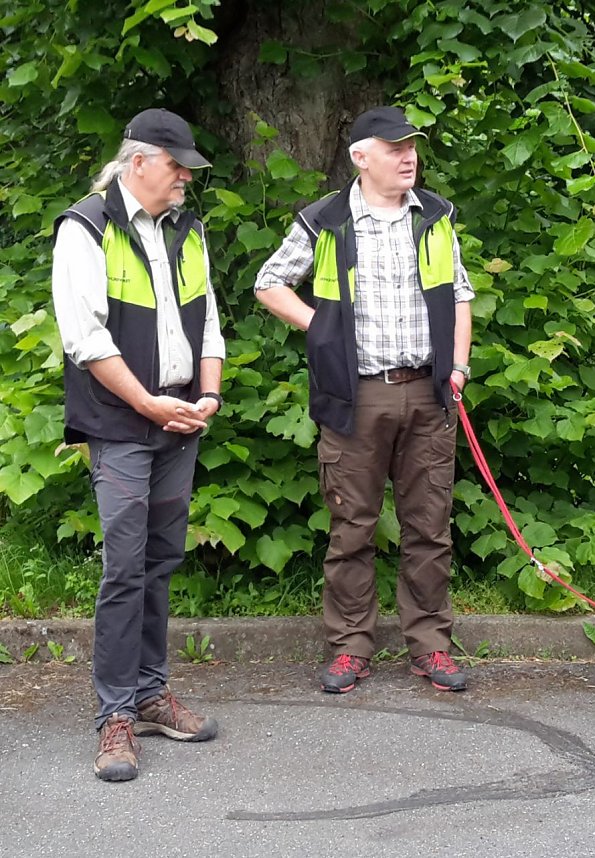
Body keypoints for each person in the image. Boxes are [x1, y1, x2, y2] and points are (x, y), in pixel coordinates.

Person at [254, 106, 474, 694]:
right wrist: (322, 328)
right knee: (352, 527)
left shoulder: (435, 216)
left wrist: (457, 366)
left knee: (429, 527)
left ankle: (430, 645)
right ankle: (350, 647)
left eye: (412, 148)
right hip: (356, 396)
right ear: (360, 157)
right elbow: (269, 282)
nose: (409, 158)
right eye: (395, 148)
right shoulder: (324, 220)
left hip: (429, 391)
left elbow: (459, 294)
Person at [52, 108, 225, 781]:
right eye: (176, 166)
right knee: (125, 568)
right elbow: (85, 337)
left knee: (160, 561)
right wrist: (148, 403)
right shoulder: (86, 227)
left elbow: (208, 323)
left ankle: (151, 694)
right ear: (139, 163)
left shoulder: (187, 228)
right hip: (121, 423)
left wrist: (207, 395)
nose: (185, 178)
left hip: (180, 420)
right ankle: (116, 715)